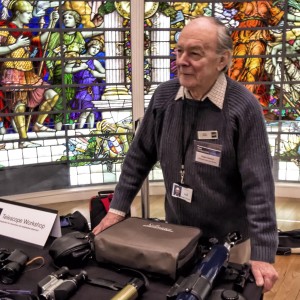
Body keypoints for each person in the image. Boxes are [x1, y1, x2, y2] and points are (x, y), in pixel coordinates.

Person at [92, 16, 279, 293]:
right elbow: (138, 158)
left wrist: (263, 253)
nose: (181, 60)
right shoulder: (164, 97)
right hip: (176, 235)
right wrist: (117, 210)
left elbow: (259, 185)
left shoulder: (243, 107)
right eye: (179, 50)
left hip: (229, 242)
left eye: (195, 53)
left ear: (222, 60)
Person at [0, 0, 59, 147]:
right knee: (19, 105)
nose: (30, 16)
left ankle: (38, 125)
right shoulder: (5, 29)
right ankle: (23, 140)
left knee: (52, 95)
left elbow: (38, 42)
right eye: (27, 13)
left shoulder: (26, 29)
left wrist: (51, 23)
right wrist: (16, 45)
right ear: (18, 13)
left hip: (28, 73)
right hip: (12, 71)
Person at [66, 38, 105, 129]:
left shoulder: (95, 62)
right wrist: (80, 68)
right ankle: (79, 132)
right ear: (89, 46)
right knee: (80, 110)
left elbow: (107, 73)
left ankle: (89, 132)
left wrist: (97, 74)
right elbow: (66, 69)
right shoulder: (77, 58)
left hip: (92, 90)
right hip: (80, 88)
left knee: (90, 111)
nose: (95, 50)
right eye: (94, 47)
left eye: (98, 49)